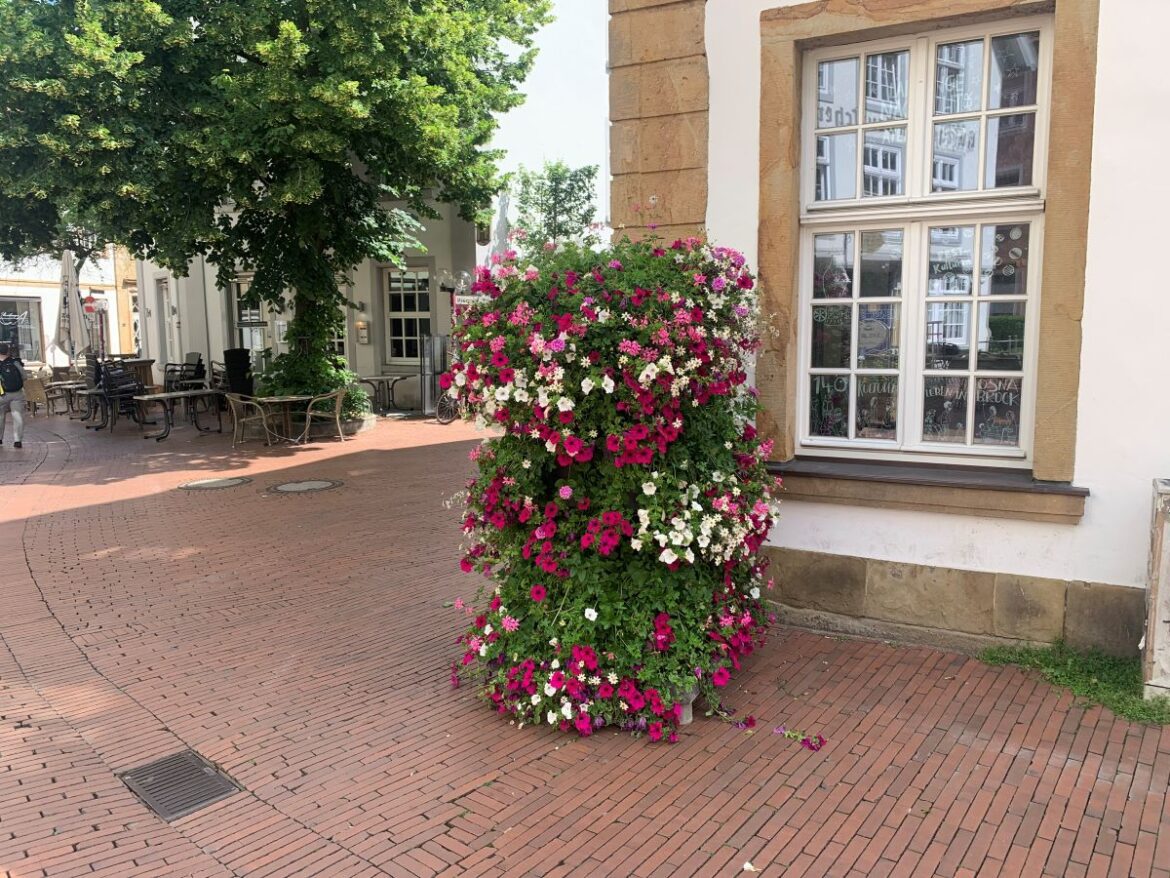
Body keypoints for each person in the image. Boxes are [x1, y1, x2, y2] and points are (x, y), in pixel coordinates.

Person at [0, 342, 26, 448]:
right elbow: (24, 376)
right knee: (18, 416)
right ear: (8, 351)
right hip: (17, 393)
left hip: (1, 394)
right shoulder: (15, 362)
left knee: (0, 416)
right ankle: (17, 440)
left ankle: (0, 438)